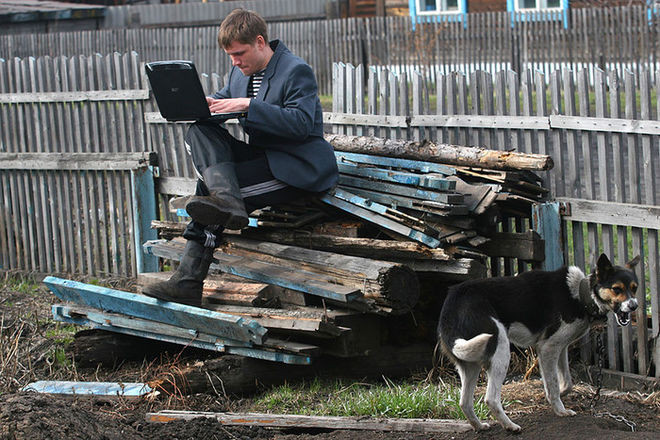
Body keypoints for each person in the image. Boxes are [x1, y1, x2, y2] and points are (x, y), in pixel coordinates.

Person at [143, 8, 338, 306]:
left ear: (260, 42)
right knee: (200, 131)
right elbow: (226, 100)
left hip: (297, 168)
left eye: (239, 53)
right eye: (230, 56)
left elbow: (301, 125)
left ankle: (188, 281)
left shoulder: (295, 70)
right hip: (265, 159)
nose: (234, 62)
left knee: (207, 198)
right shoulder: (240, 72)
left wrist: (249, 104)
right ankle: (227, 201)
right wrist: (208, 105)